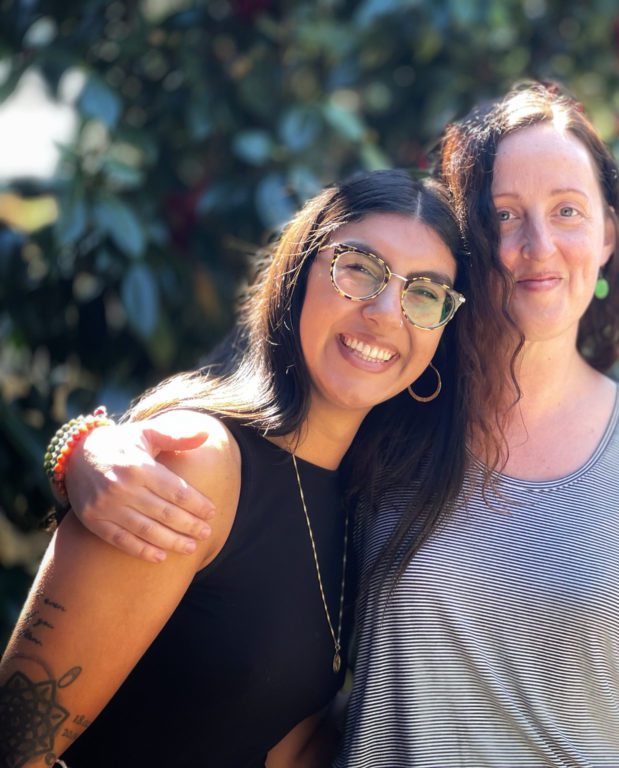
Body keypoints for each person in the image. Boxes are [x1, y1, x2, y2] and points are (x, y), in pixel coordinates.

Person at [42, 83, 619, 767]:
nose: (539, 244)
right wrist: (86, 446)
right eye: (505, 214)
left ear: (610, 235)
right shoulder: (394, 412)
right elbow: (247, 450)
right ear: (470, 247)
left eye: (568, 211)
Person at [0, 169, 497, 768]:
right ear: (299, 274)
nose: (386, 313)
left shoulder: (361, 503)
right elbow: (15, 742)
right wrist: (76, 448)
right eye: (361, 268)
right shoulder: (197, 461)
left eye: (425, 294)